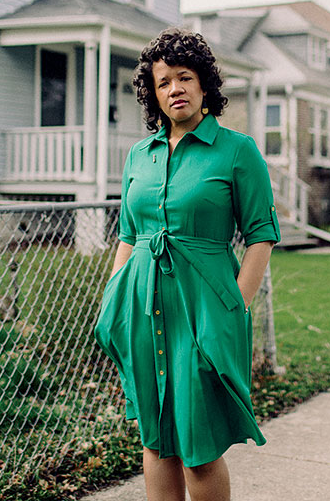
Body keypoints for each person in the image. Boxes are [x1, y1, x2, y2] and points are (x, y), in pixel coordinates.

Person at [94, 27, 280, 501]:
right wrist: (114, 302)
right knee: (156, 443)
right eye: (163, 82)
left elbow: (261, 235)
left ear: (204, 86)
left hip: (204, 310)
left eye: (184, 77)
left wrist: (234, 304)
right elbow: (129, 236)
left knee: (199, 448)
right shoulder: (139, 155)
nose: (174, 89)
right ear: (153, 94)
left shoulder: (237, 151)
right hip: (143, 306)